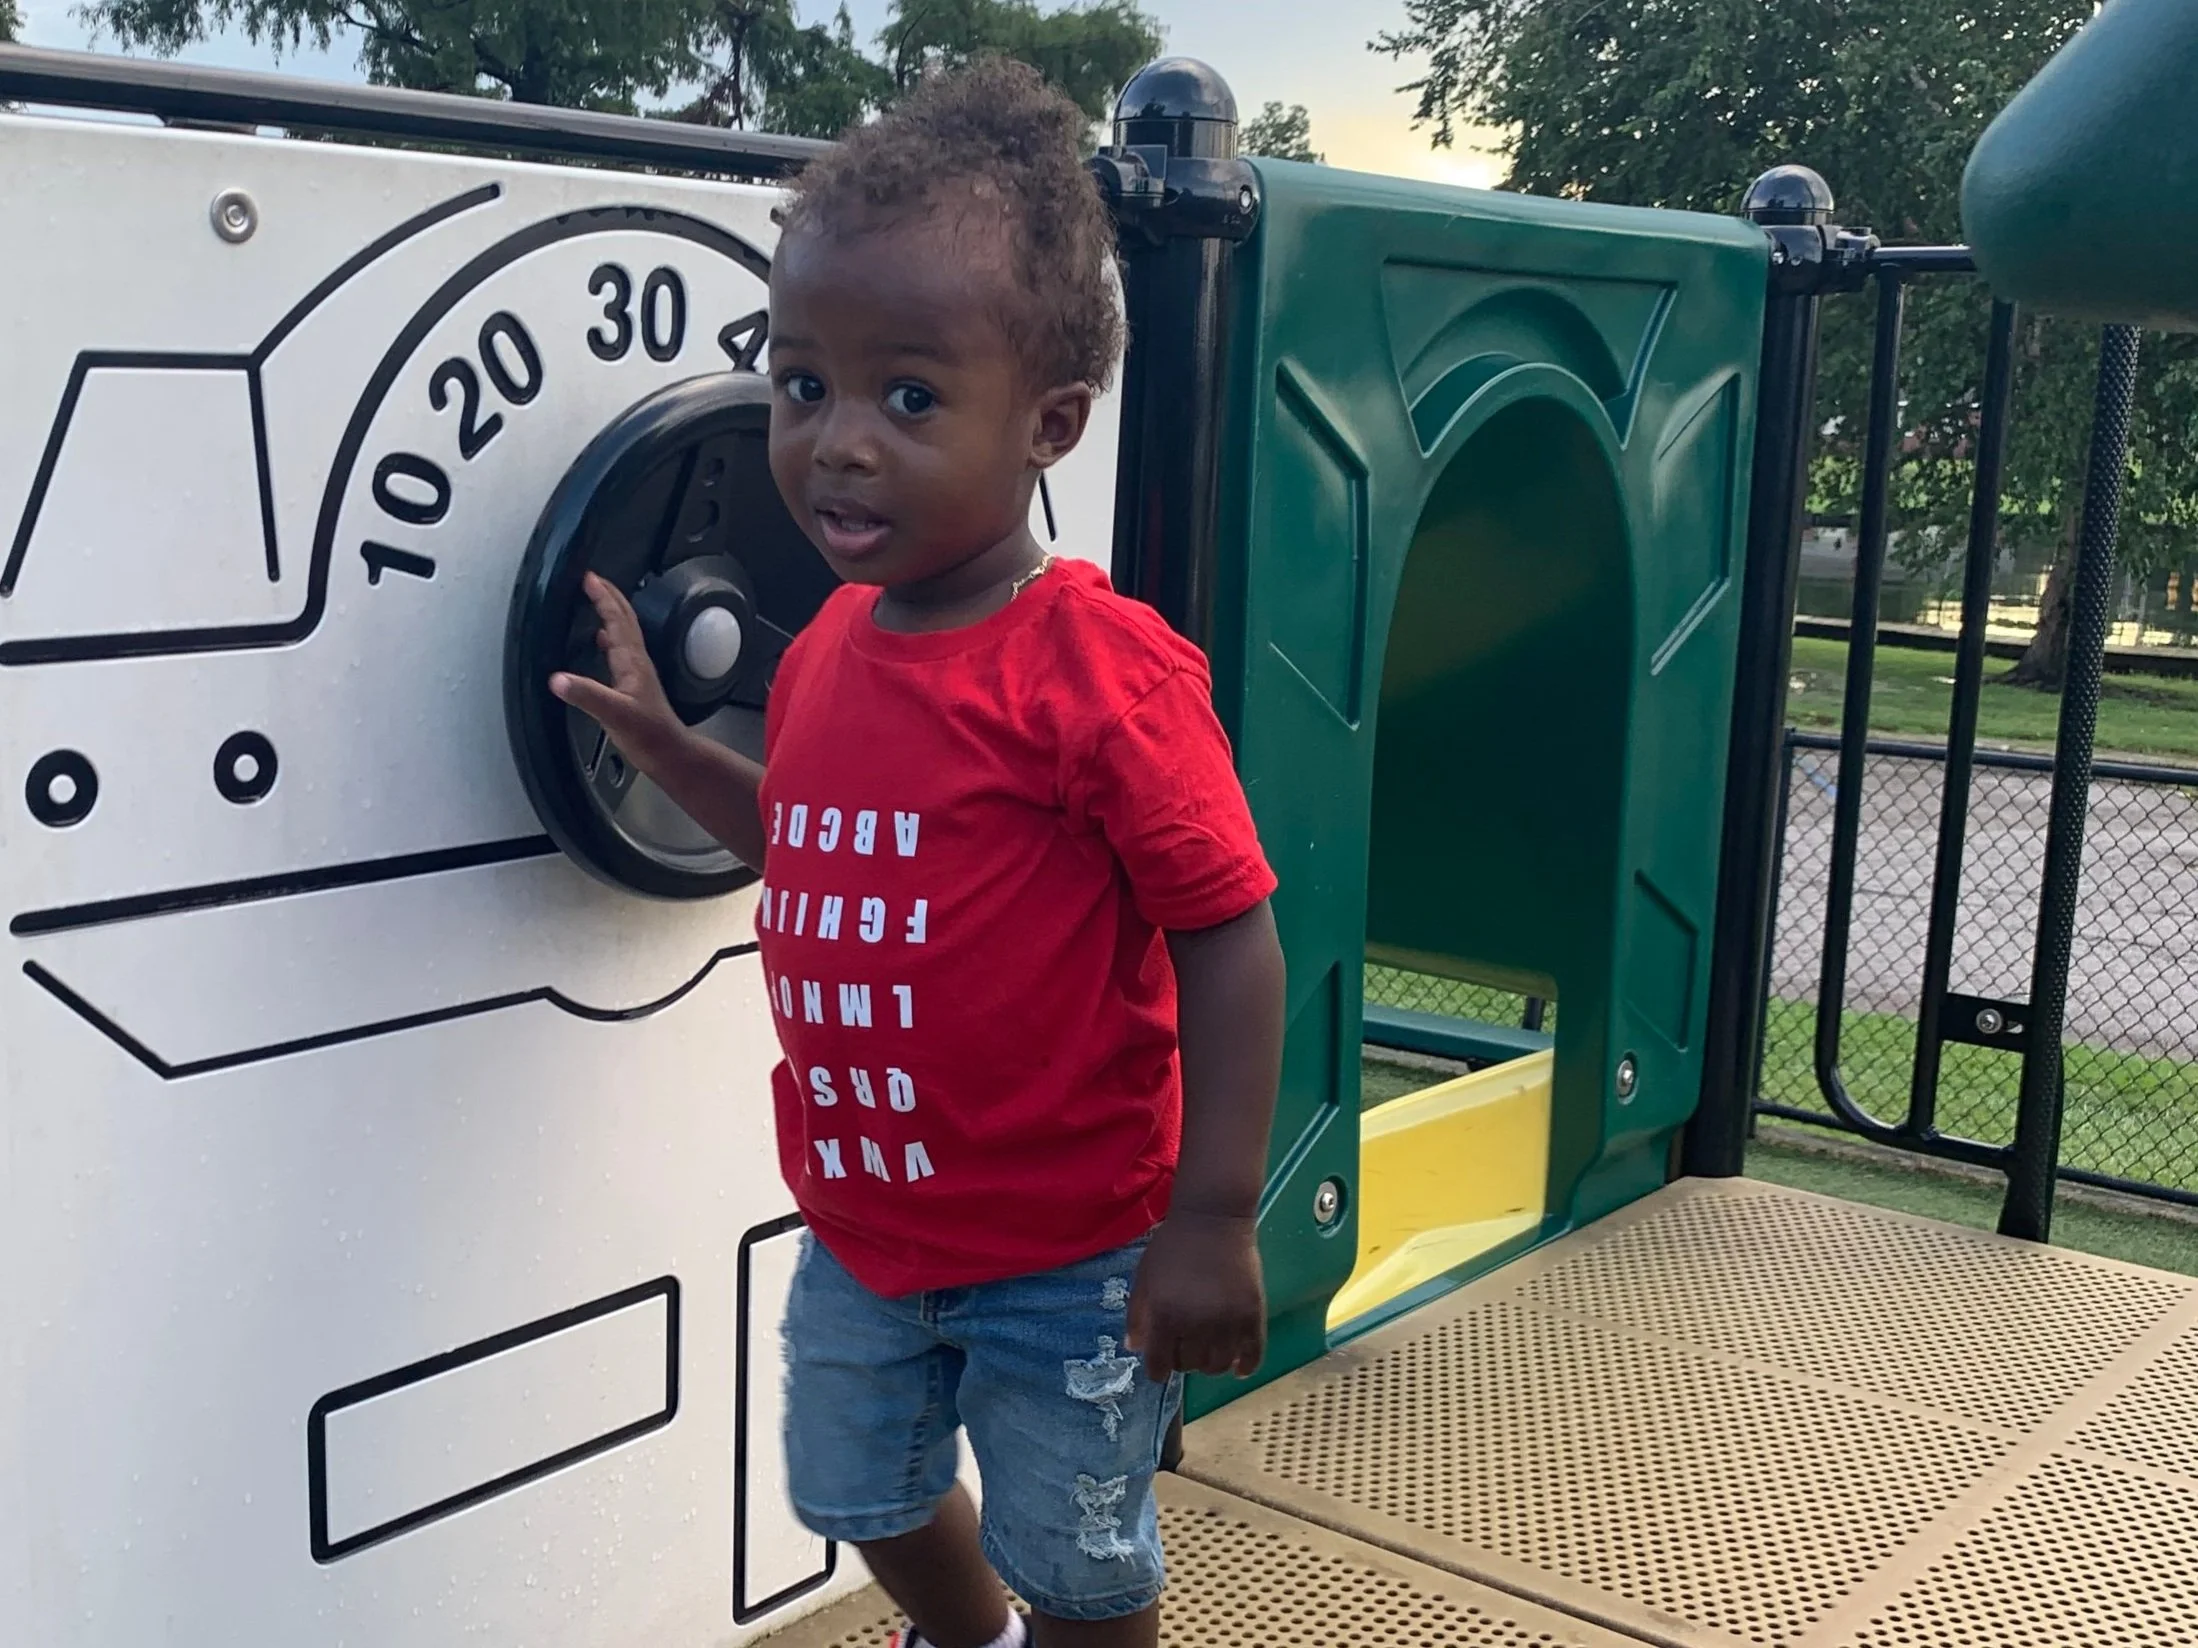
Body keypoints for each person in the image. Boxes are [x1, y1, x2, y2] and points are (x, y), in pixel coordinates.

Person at [549, 57, 1286, 1648]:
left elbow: (1227, 934)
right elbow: (814, 847)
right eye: (801, 384)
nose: (834, 444)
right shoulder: (825, 653)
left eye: (908, 397)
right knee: (858, 1493)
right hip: (869, 1226)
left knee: (1079, 1549)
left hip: (1072, 1246)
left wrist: (1212, 1215)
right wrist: (675, 752)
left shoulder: (1098, 671)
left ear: (1049, 425)